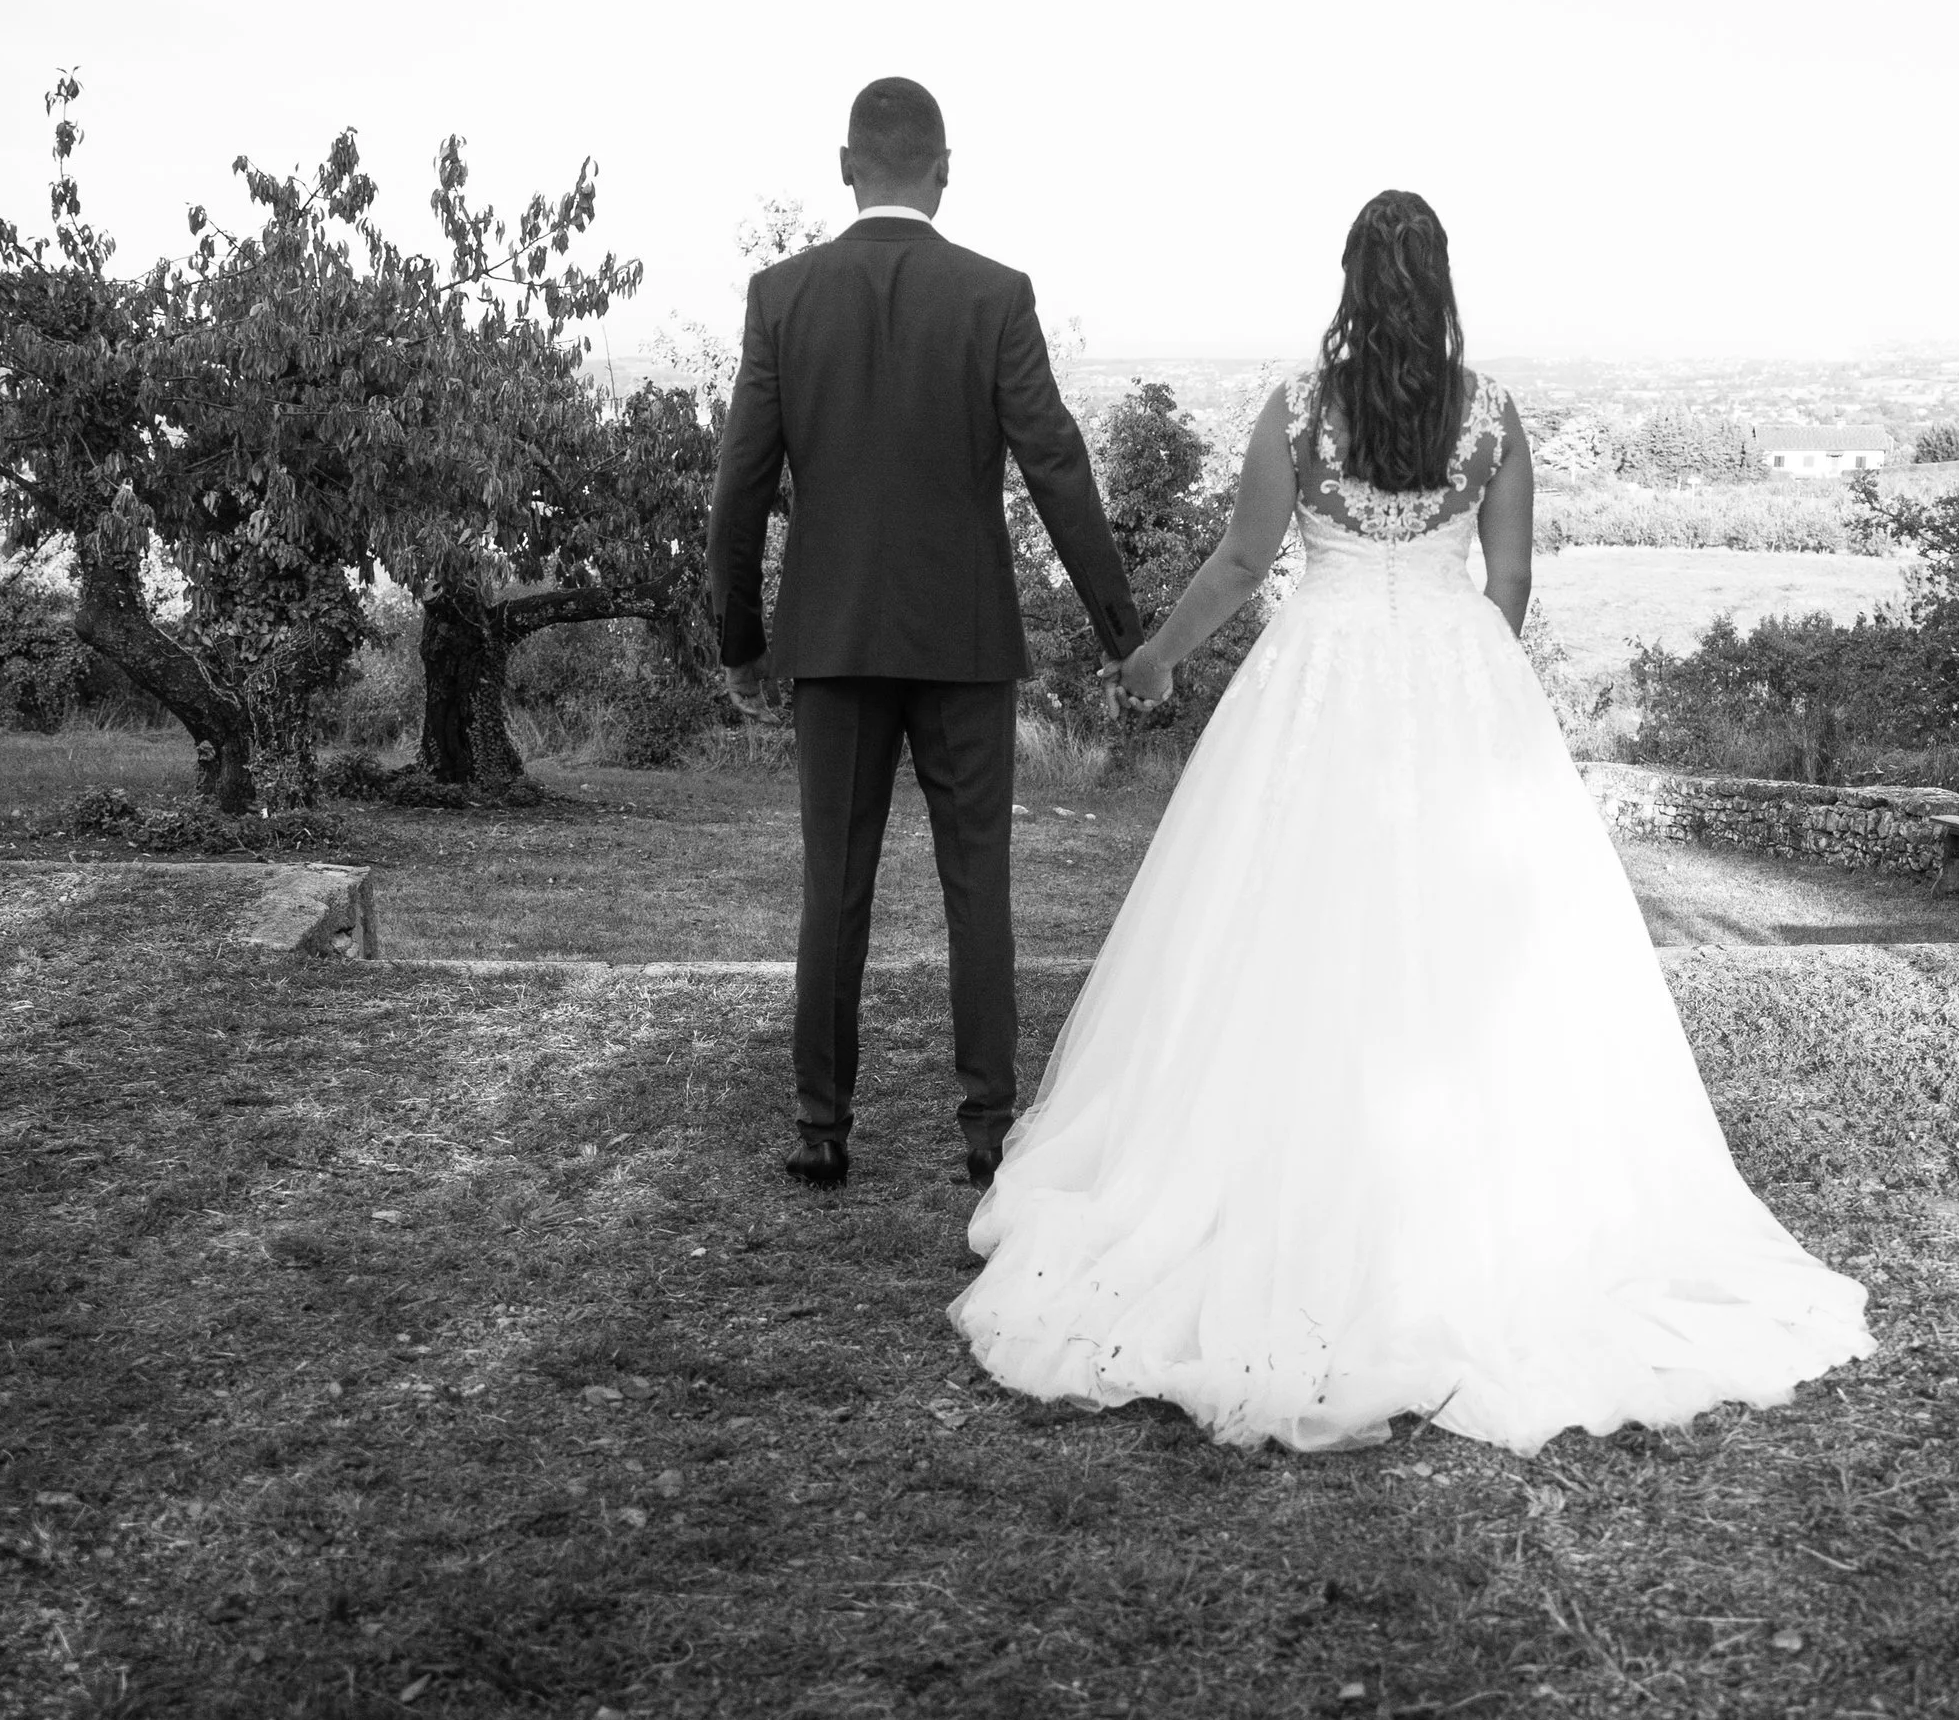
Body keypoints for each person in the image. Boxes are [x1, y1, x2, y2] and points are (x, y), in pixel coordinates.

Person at [951, 189, 1872, 1453]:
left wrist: (1159, 656)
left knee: (1280, 917)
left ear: (1346, 278)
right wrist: (1469, 684)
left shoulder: (1298, 408)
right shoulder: (1492, 415)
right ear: (1440, 282)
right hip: (1456, 674)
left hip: (1316, 675)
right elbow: (1510, 581)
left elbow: (1240, 562)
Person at [708, 76, 1143, 1191]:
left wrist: (740, 640)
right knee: (978, 886)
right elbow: (1055, 461)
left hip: (834, 640)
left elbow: (740, 487)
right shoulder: (995, 295)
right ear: (942, 172)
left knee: (832, 886)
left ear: (846, 165)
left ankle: (820, 1126)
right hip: (965, 643)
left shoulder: (781, 295)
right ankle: (987, 1127)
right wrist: (1119, 626)